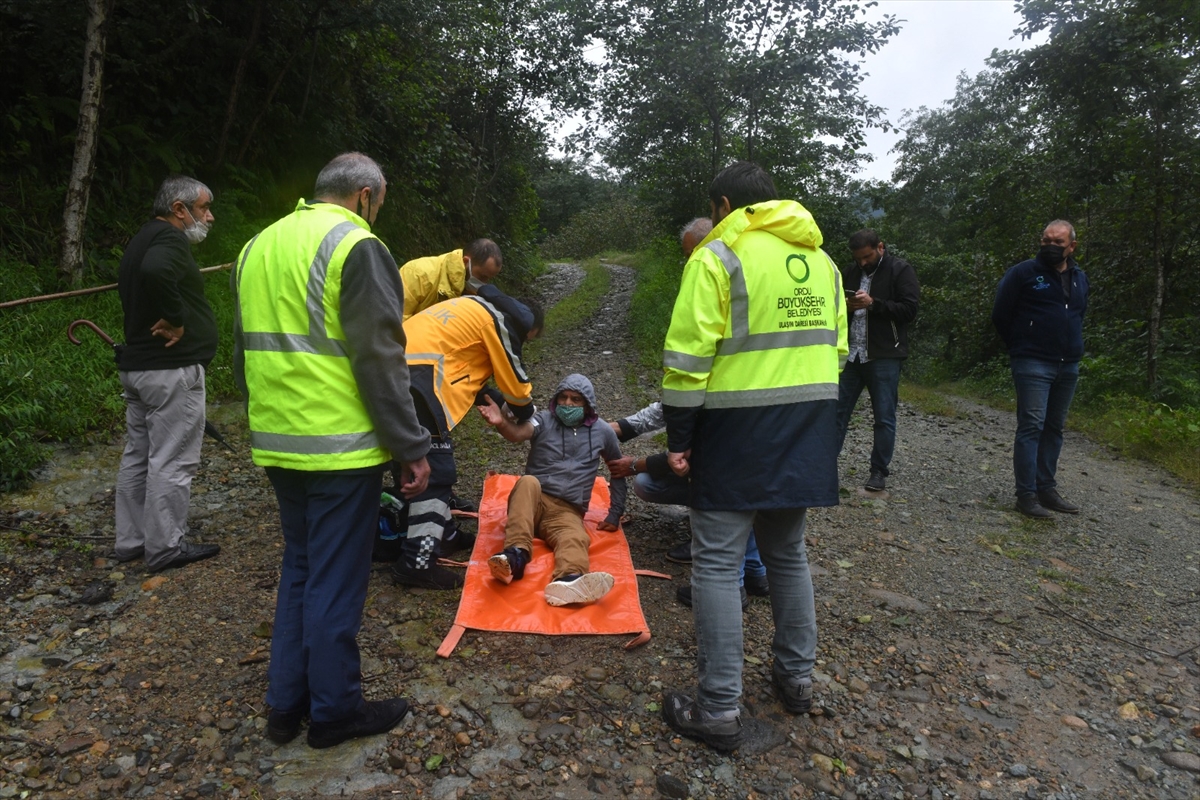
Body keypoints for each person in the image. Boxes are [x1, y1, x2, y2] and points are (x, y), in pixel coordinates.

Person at [232, 152, 432, 749]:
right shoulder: (356, 246)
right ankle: (335, 711)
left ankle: (283, 706)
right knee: (335, 581)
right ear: (366, 194)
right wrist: (410, 446)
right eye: (382, 202)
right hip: (340, 449)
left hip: (278, 441)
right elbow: (380, 357)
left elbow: (247, 352)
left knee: (300, 568)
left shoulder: (256, 245)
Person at [659, 161, 847, 752]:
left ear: (722, 206)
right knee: (788, 555)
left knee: (716, 563)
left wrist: (680, 438)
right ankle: (797, 682)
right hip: (808, 428)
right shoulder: (825, 263)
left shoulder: (717, 258)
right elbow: (836, 352)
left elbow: (687, 359)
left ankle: (717, 711)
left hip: (736, 432)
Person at [390, 289, 544, 590]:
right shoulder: (499, 321)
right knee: (434, 472)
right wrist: (526, 413)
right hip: (420, 385)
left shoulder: (471, 307)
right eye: (529, 338)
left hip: (394, 373)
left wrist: (499, 402)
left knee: (408, 460)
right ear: (526, 325)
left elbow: (469, 371)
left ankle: (444, 535)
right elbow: (517, 385)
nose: (524, 343)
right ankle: (416, 562)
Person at [114, 175, 221, 572]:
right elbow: (158, 272)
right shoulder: (169, 241)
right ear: (180, 209)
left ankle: (131, 541)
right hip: (170, 371)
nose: (209, 217)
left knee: (139, 455)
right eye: (204, 208)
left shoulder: (143, 237)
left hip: (140, 368)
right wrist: (177, 320)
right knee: (172, 459)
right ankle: (165, 548)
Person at [480, 374, 628, 607]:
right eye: (563, 398)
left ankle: (570, 580)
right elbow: (519, 433)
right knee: (528, 481)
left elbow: (618, 470)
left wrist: (615, 512)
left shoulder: (603, 432)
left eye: (576, 399)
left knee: (576, 536)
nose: (568, 404)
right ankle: (515, 557)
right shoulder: (544, 420)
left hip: (566, 511)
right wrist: (501, 423)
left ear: (587, 404)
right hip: (532, 501)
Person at [608, 402, 769, 607]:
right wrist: (599, 428)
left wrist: (635, 464)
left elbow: (692, 450)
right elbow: (658, 413)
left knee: (724, 501)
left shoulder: (703, 388)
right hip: (764, 463)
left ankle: (729, 587)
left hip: (727, 464)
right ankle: (755, 572)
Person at [991, 220, 1089, 518]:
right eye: (1046, 241)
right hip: (1032, 361)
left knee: (1054, 427)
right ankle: (1026, 495)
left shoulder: (1079, 277)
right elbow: (1000, 314)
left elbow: (1079, 313)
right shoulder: (1023, 273)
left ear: (1072, 246)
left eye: (1058, 243)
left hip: (1067, 363)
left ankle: (1046, 488)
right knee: (1031, 425)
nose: (1050, 247)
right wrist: (1021, 345)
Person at [834, 229, 920, 492]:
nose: (862, 262)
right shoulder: (849, 272)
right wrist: (843, 307)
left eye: (867, 256)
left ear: (880, 247)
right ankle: (825, 466)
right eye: (858, 258)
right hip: (850, 354)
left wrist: (873, 303)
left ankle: (878, 471)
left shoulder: (900, 270)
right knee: (836, 413)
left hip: (884, 355)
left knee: (884, 416)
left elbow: (909, 310)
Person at [398, 239, 502, 320]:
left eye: (488, 279)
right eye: (482, 276)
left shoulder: (471, 293)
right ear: (466, 262)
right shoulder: (419, 273)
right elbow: (395, 320)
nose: (484, 283)